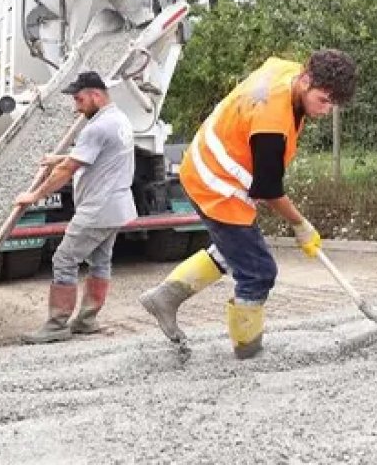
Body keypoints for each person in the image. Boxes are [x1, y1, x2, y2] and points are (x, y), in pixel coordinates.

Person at [138, 49, 357, 359]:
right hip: (215, 183)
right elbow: (268, 188)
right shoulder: (271, 122)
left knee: (238, 249)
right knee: (258, 270)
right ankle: (247, 350)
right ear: (306, 80)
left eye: (334, 104)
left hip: (205, 166)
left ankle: (165, 298)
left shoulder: (288, 72)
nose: (326, 110)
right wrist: (301, 225)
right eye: (324, 100)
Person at [16, 71, 138, 343]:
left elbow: (68, 170)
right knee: (100, 261)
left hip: (97, 208)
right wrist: (60, 156)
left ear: (96, 95)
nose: (77, 106)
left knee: (64, 259)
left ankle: (58, 325)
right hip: (117, 207)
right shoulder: (119, 120)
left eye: (79, 99)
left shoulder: (96, 127)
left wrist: (34, 195)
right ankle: (87, 320)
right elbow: (101, 155)